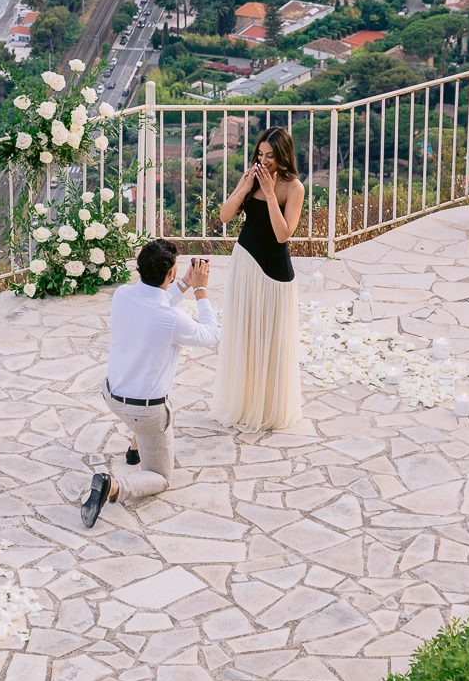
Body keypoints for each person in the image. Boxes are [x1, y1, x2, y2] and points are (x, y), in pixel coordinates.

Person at [81, 237, 218, 528]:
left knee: (142, 408)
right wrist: (201, 290)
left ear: (140, 268)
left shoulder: (122, 295)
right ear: (168, 273)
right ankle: (113, 486)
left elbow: (154, 303)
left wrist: (182, 283)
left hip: (112, 395)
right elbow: (210, 335)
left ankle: (135, 445)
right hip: (146, 412)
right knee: (162, 476)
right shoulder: (172, 319)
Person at [212, 125, 304, 432]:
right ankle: (243, 403)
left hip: (275, 273)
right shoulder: (251, 177)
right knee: (245, 336)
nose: (264, 161)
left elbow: (282, 234)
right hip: (245, 264)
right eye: (260, 154)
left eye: (270, 157)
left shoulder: (294, 188)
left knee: (272, 340)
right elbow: (224, 216)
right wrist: (243, 188)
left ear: (283, 157)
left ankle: (268, 408)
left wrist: (268, 193)